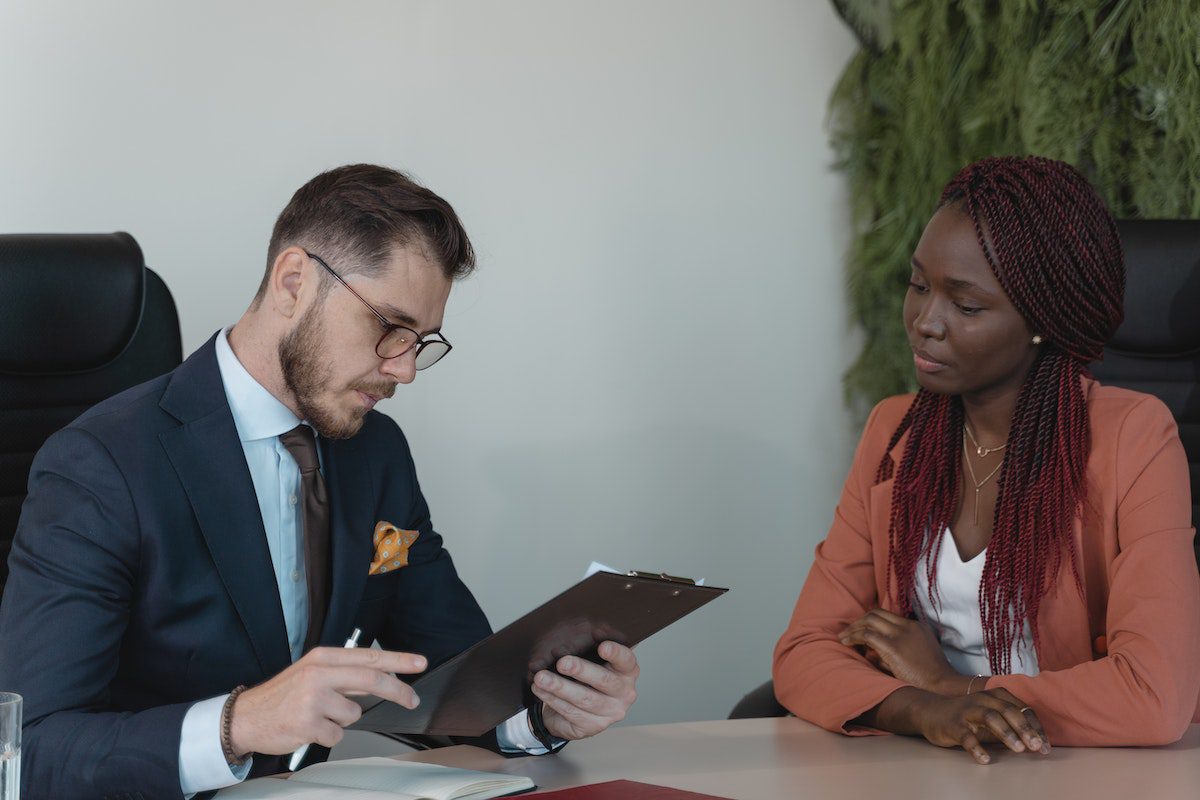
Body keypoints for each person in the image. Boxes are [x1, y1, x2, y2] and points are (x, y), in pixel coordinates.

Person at [0, 164, 640, 799]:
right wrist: (240, 724)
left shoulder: (377, 451)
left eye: (420, 342)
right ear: (293, 281)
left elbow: (450, 675)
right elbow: (31, 752)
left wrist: (547, 712)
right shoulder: (99, 464)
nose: (405, 370)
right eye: (388, 327)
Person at [773, 156, 1200, 763]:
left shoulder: (1134, 437)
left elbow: (1155, 695)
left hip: (1071, 766)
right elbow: (803, 652)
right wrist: (928, 709)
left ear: (1042, 321)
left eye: (966, 306)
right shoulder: (894, 433)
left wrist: (954, 686)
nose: (926, 323)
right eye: (919, 285)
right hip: (925, 758)